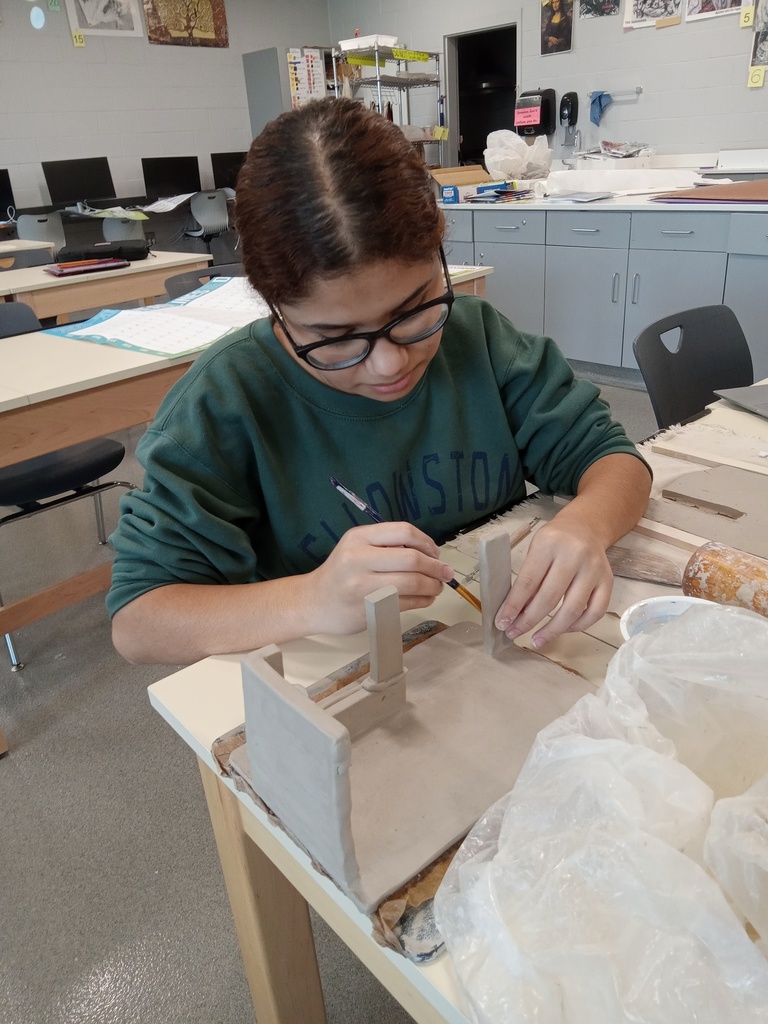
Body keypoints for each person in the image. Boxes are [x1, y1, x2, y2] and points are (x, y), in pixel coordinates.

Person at [108, 98, 651, 665]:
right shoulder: (225, 401)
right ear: (275, 309)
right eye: (335, 338)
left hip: (494, 662)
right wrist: (311, 599)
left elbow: (615, 460)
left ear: (440, 257)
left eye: (413, 311)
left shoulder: (478, 337)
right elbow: (140, 620)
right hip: (341, 687)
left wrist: (587, 525)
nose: (389, 364)